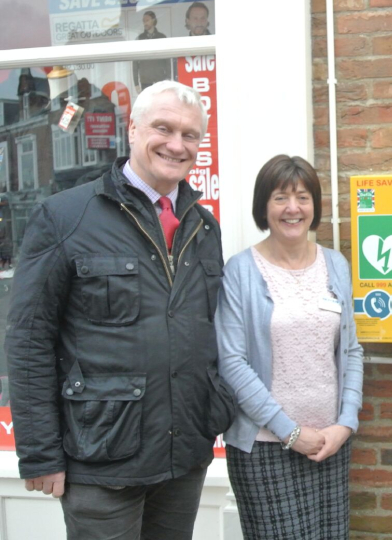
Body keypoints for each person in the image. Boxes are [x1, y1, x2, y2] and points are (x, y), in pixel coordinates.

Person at [5, 80, 236, 540]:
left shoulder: (203, 227)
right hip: (103, 457)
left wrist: (216, 409)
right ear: (132, 130)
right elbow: (29, 339)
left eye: (190, 135)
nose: (176, 144)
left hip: (184, 454)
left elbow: (205, 332)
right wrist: (40, 454)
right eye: (163, 128)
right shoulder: (66, 216)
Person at [216, 155, 363, 540]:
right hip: (265, 447)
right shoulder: (241, 270)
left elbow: (351, 351)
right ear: (264, 207)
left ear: (314, 206)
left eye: (302, 197)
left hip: (329, 445)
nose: (293, 208)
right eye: (280, 198)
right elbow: (232, 362)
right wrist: (291, 433)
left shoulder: (336, 265)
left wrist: (345, 424)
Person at [133, 11, 172, 91]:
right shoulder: (140, 39)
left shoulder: (162, 37)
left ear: (153, 20)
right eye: (144, 21)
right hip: (145, 80)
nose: (145, 23)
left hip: (160, 78)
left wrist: (169, 77)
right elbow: (135, 62)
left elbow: (167, 59)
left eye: (147, 20)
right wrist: (136, 83)